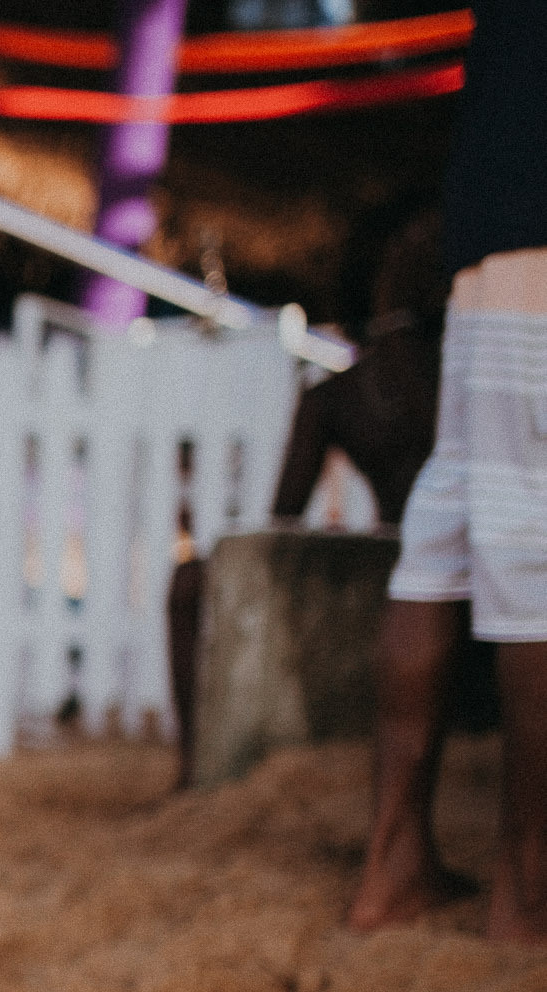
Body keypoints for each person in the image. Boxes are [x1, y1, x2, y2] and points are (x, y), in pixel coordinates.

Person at [348, 0, 546, 941]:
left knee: (448, 535)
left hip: (486, 228)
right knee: (533, 557)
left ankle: (392, 866)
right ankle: (528, 885)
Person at [166, 210, 449, 788]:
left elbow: (284, 518)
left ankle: (196, 772)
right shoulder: (340, 398)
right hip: (392, 567)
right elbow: (282, 526)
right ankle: (197, 773)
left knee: (191, 583)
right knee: (190, 581)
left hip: (449, 570)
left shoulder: (455, 375)